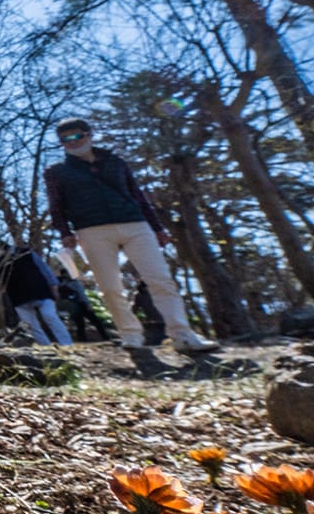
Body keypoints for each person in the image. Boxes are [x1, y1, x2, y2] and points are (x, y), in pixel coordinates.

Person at [45, 117, 218, 353]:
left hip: (135, 224)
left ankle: (182, 334)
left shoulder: (115, 162)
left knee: (160, 279)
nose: (71, 142)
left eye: (76, 136)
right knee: (110, 286)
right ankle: (131, 335)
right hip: (91, 229)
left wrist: (157, 228)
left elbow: (138, 195)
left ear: (89, 134)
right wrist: (65, 233)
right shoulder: (57, 171)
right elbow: (57, 205)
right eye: (64, 139)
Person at [0, 233, 72, 346]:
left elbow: (44, 269)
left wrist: (53, 286)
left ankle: (67, 344)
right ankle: (45, 347)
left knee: (50, 316)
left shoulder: (25, 252)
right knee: (30, 324)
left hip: (40, 290)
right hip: (17, 296)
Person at [57, 272, 108, 342]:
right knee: (96, 322)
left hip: (72, 306)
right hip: (81, 304)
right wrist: (88, 304)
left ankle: (82, 340)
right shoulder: (75, 282)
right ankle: (106, 337)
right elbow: (82, 294)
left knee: (80, 325)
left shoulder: (60, 283)